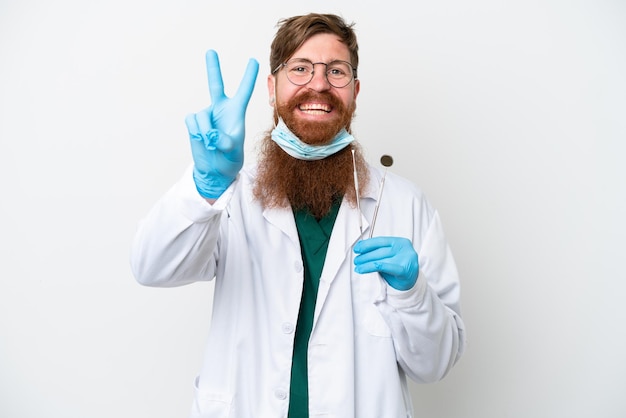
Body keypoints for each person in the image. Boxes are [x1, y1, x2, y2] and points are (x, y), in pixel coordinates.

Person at [130, 13, 466, 418]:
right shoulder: (232, 196)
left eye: (336, 71)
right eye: (301, 68)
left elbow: (435, 364)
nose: (319, 84)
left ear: (355, 91)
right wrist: (206, 186)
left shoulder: (405, 206)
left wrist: (413, 293)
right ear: (272, 88)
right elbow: (151, 266)